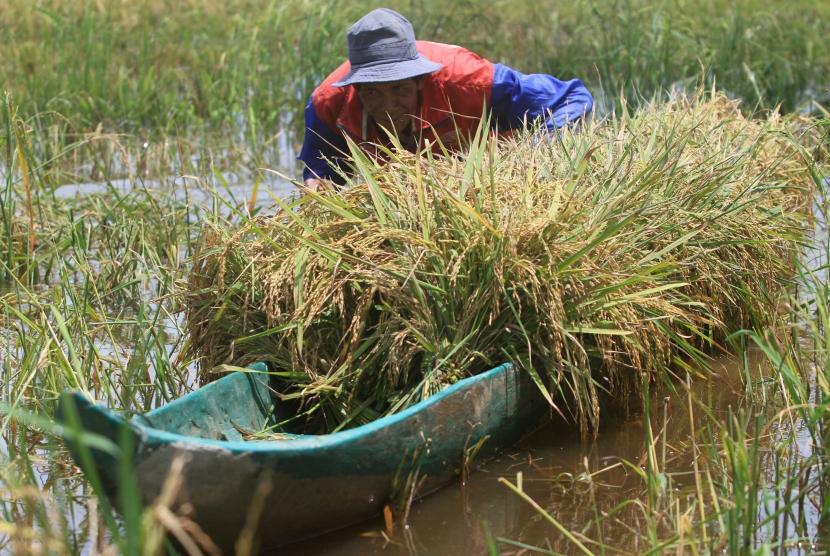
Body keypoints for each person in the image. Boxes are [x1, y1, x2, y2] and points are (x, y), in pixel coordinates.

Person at [298, 8, 593, 191]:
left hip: (485, 175)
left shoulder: (468, 80)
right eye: (373, 92)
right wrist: (317, 185)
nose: (388, 107)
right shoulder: (329, 104)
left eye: (399, 90)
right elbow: (320, 165)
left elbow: (571, 98)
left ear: (419, 80)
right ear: (357, 88)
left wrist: (532, 156)